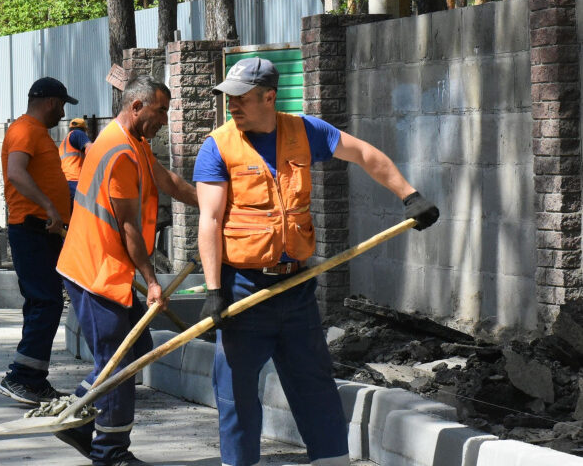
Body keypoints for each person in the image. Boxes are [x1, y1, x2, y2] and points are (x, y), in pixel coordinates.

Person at [193, 58, 441, 466]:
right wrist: (214, 289)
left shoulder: (305, 131)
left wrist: (409, 195)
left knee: (315, 386)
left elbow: (363, 153)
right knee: (235, 393)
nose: (231, 105)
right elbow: (211, 220)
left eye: (241, 98)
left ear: (269, 97)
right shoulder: (217, 145)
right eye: (229, 98)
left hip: (296, 289)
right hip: (243, 291)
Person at [56, 75, 200, 466]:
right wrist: (152, 282)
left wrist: (212, 201)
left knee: (136, 349)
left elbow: (165, 180)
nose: (163, 121)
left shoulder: (133, 142)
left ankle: (74, 418)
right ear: (136, 107)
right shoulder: (119, 151)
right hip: (96, 271)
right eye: (160, 112)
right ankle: (110, 452)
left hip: (102, 266)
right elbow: (129, 227)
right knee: (119, 366)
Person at [0, 77, 77, 406]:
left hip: (42, 229)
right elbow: (16, 172)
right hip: (32, 228)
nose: (62, 112)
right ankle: (22, 377)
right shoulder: (25, 130)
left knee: (41, 302)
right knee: (46, 302)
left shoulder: (35, 131)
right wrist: (48, 207)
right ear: (49, 101)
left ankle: (32, 378)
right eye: (61, 105)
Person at [60, 117, 93, 202]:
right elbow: (91, 150)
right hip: (75, 181)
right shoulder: (78, 133)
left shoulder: (63, 143)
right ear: (84, 130)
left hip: (64, 183)